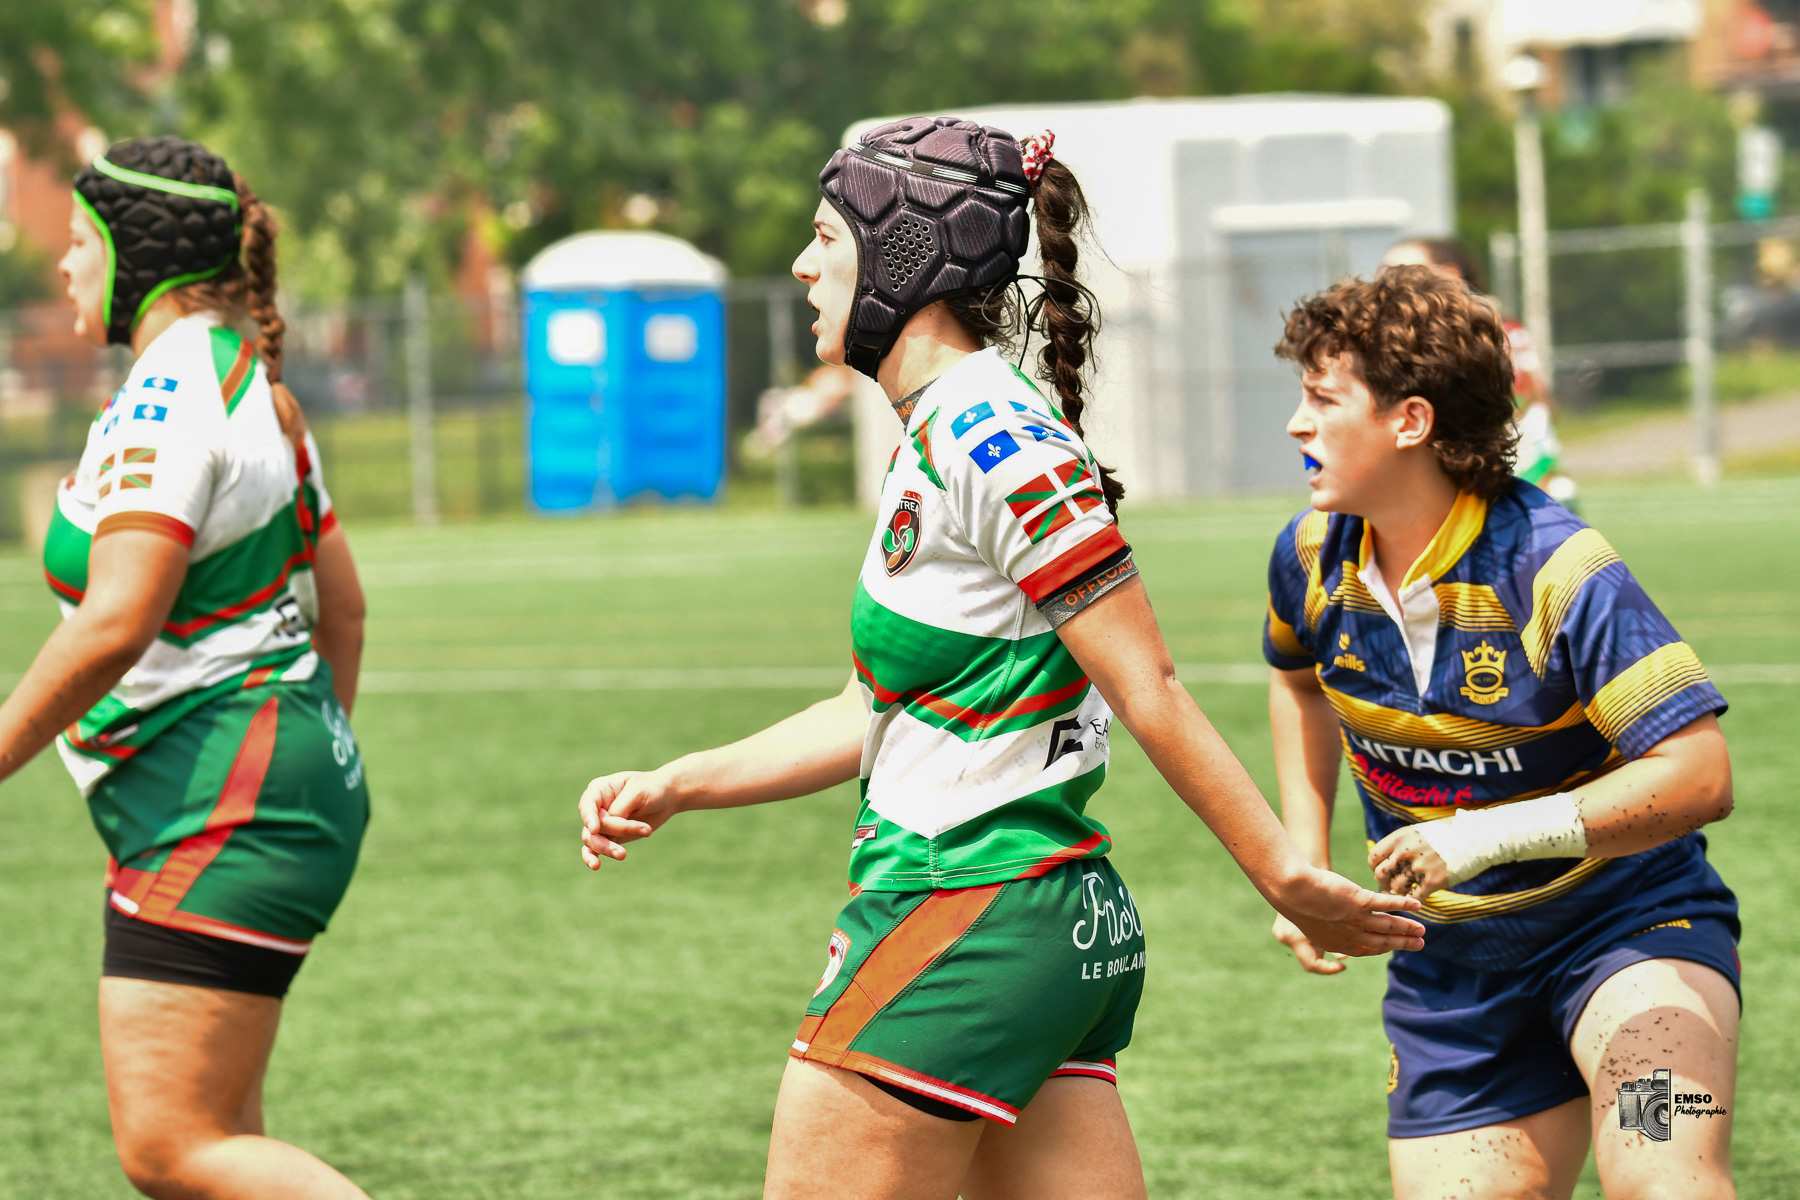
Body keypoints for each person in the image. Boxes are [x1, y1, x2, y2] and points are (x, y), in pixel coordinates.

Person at [578, 117, 1424, 1200]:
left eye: (824, 235)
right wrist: (678, 786)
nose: (801, 264)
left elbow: (1147, 683)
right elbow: (869, 709)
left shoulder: (994, 439)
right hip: (1036, 921)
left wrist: (1286, 876)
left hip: (966, 912)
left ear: (902, 255)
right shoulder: (943, 432)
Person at [1264, 266, 1739, 1199]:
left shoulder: (1556, 566)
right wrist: (1305, 864)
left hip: (1630, 934)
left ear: (1411, 421)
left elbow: (1699, 775)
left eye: (1322, 399)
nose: (1297, 424)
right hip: (1454, 982)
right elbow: (1300, 689)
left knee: (1660, 1173)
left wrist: (1482, 836)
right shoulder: (1309, 559)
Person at [8, 136, 372, 1198]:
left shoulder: (169, 395)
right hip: (260, 784)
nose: (64, 267)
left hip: (226, 800)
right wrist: (310, 750)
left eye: (79, 243)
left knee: (172, 1147)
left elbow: (115, 620)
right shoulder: (246, 381)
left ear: (136, 256)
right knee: (219, 1139)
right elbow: (342, 607)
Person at [1381, 237, 1579, 510]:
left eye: (1404, 271)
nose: (1390, 283)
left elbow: (1529, 400)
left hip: (1513, 481)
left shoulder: (1487, 330)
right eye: (1386, 271)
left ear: (1449, 274)